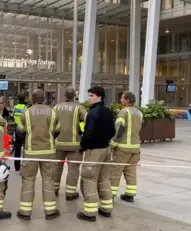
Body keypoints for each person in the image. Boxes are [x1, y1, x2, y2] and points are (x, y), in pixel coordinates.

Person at [16, 89, 61, 221]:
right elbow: (57, 131)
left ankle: (25, 212)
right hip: (49, 152)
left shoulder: (27, 112)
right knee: (48, 180)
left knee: (28, 180)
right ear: (44, 98)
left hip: (31, 153)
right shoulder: (52, 112)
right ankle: (50, 211)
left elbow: (19, 132)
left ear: (33, 98)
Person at [77, 86, 115, 222]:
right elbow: (113, 132)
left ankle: (89, 212)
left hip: (94, 151)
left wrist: (82, 146)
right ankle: (106, 208)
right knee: (104, 179)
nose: (89, 98)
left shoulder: (93, 113)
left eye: (91, 96)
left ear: (99, 97)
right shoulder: (108, 111)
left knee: (89, 180)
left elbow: (88, 133)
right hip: (106, 149)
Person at [53, 86, 87, 200]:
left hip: (58, 143)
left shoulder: (56, 107)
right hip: (74, 145)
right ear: (74, 96)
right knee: (73, 169)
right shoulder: (79, 108)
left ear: (64, 96)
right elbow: (87, 122)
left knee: (56, 168)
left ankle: (54, 190)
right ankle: (70, 193)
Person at [110, 92, 142, 203]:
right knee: (131, 171)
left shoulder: (124, 112)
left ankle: (111, 195)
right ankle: (130, 194)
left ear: (127, 100)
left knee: (115, 172)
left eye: (122, 98)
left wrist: (113, 143)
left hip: (123, 148)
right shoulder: (139, 112)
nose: (120, 99)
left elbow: (119, 129)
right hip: (135, 148)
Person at [12, 92, 28, 173]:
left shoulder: (15, 107)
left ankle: (17, 167)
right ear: (25, 98)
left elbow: (13, 117)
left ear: (18, 98)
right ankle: (25, 165)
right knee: (26, 148)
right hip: (25, 130)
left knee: (17, 148)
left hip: (17, 129)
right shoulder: (27, 107)